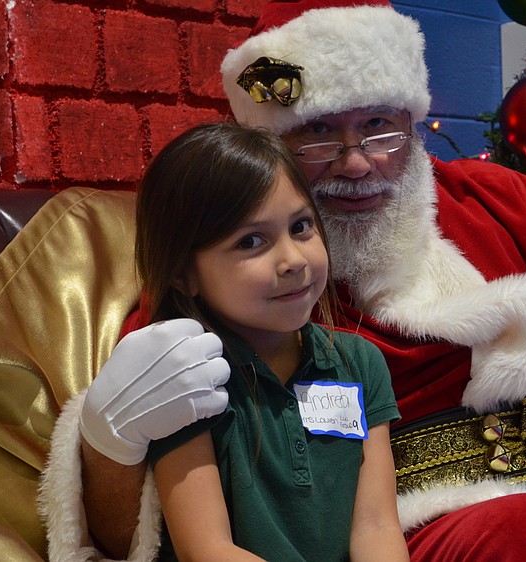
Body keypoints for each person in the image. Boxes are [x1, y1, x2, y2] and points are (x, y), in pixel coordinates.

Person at [39, 1, 526, 561]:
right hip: (428, 527)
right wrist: (107, 433)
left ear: (416, 121)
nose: (357, 164)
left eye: (382, 129)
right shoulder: (233, 269)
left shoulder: (502, 200)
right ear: (269, 147)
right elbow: (142, 482)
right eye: (320, 133)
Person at [135, 122, 407, 562]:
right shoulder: (183, 379)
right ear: (184, 273)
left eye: (301, 227)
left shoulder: (360, 361)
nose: (294, 260)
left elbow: (376, 526)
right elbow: (206, 549)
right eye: (252, 241)